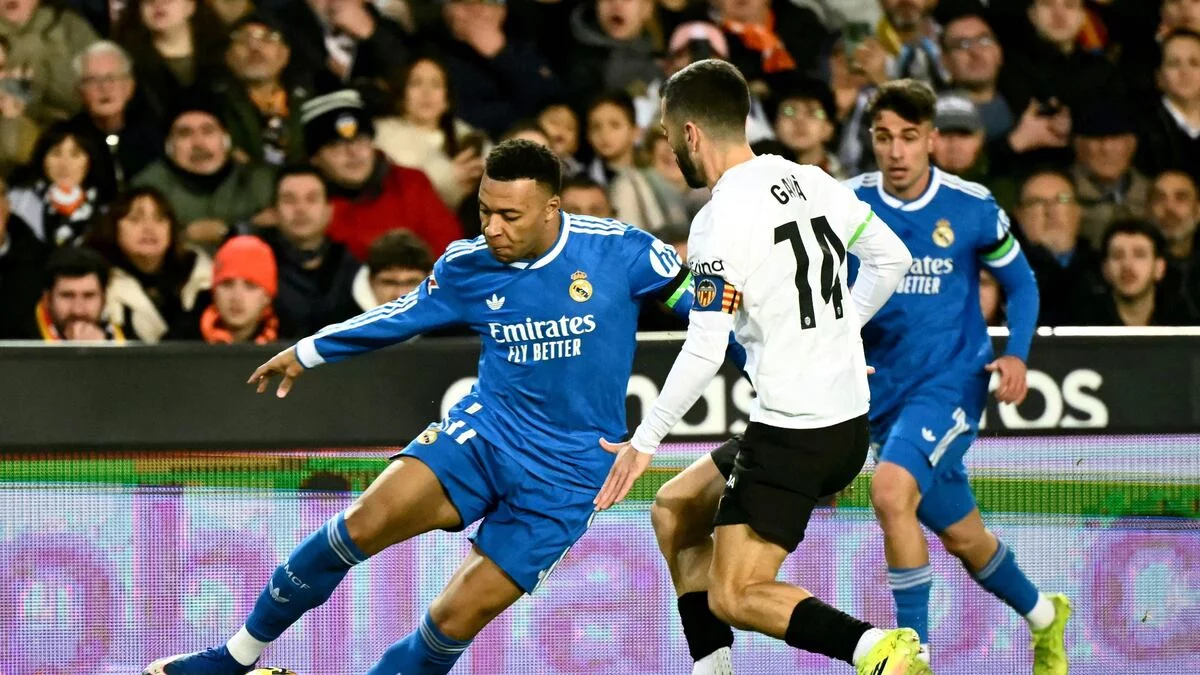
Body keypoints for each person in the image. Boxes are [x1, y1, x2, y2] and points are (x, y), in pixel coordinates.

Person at [141, 139, 738, 675]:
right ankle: (233, 658)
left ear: (552, 207)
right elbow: (398, 317)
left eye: (510, 215)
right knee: (357, 528)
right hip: (485, 438)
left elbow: (712, 317)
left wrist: (774, 375)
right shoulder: (467, 266)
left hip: (571, 476)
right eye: (484, 211)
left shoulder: (625, 253)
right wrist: (309, 351)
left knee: (449, 625)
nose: (493, 228)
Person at [593, 59, 922, 675]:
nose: (671, 150)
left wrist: (644, 440)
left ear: (690, 134)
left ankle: (877, 650)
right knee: (677, 509)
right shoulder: (813, 179)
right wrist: (839, 329)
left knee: (736, 593)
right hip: (845, 422)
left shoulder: (719, 222)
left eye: (668, 138)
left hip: (793, 433)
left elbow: (705, 349)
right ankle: (712, 669)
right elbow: (892, 258)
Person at [843, 80, 1069, 671]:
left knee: (890, 491)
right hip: (880, 391)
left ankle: (914, 654)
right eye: (884, 137)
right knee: (966, 539)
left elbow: (1019, 283)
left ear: (932, 141)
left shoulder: (971, 207)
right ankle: (1046, 616)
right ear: (871, 140)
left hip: (952, 383)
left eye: (909, 138)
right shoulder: (845, 204)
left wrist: (1016, 353)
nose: (895, 152)